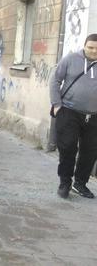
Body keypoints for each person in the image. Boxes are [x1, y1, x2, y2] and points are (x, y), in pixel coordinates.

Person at [50, 33, 97, 199]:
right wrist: (57, 104)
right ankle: (64, 183)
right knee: (68, 147)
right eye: (90, 47)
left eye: (96, 48)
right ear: (84, 46)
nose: (93, 51)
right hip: (69, 111)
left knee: (90, 151)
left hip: (94, 116)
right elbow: (55, 80)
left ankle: (80, 183)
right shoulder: (70, 59)